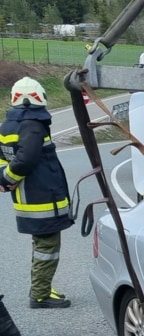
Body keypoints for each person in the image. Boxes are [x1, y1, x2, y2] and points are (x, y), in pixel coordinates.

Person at [0, 77, 72, 309]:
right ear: (38, 98)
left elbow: (4, 159)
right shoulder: (33, 124)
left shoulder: (7, 125)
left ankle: (40, 288)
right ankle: (40, 295)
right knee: (47, 248)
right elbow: (25, 161)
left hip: (26, 198)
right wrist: (8, 178)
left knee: (41, 244)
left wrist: (4, 180)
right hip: (41, 198)